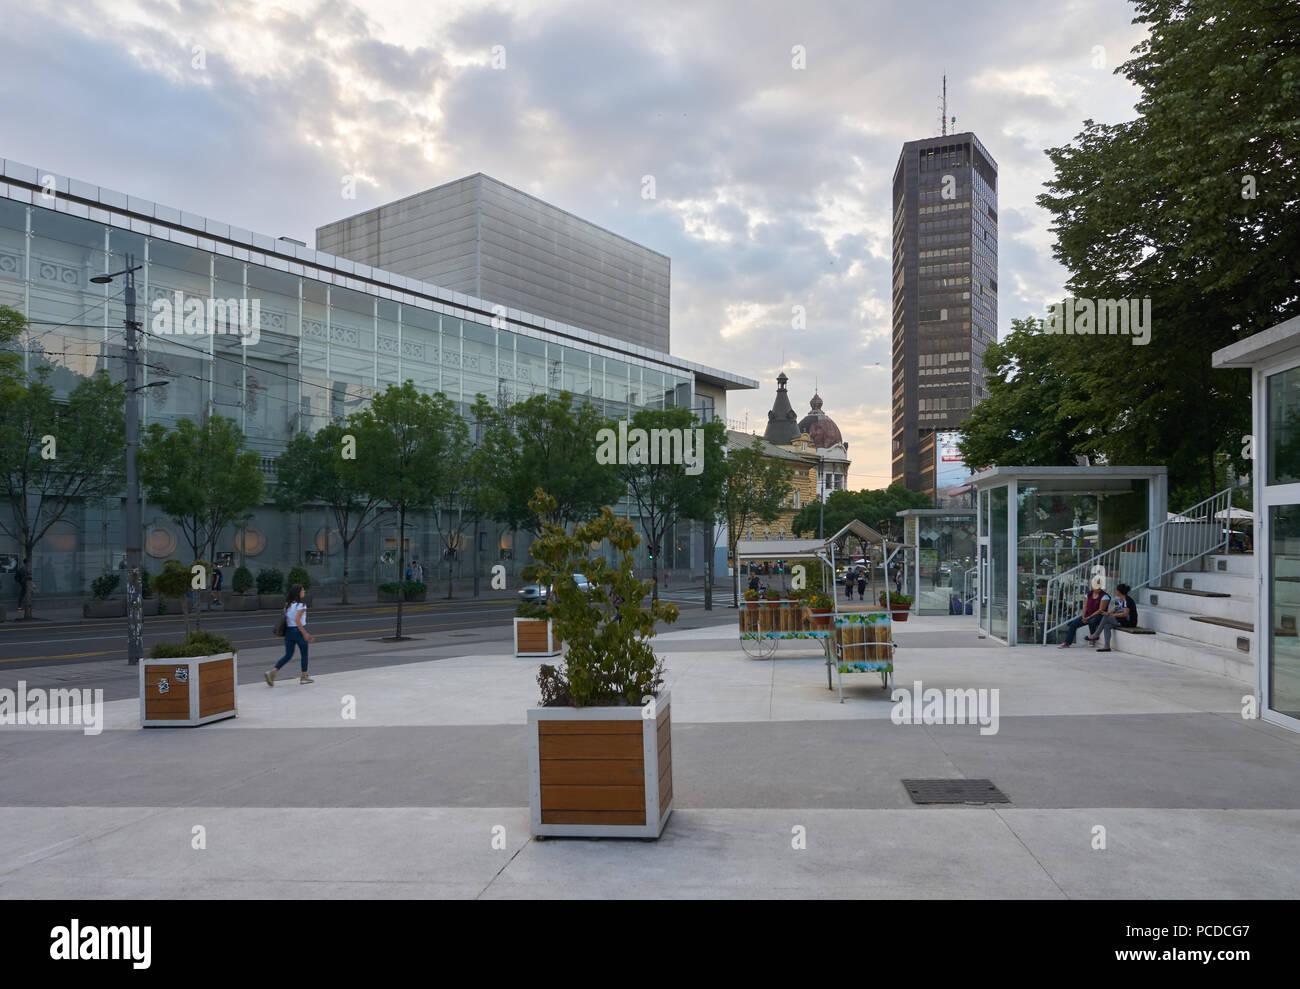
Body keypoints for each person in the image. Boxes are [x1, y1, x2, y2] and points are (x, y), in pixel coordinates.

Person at [265, 584, 313, 685]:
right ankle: (304, 676)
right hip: (298, 632)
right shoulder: (301, 605)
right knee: (304, 654)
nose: (304, 592)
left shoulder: (287, 605)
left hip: (289, 632)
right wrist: (305, 633)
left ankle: (272, 672)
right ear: (298, 593)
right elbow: (297, 620)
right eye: (303, 590)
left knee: (288, 655)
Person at [1059, 581, 1109, 648]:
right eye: (1095, 586)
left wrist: (1089, 617)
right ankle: (1067, 643)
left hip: (1099, 615)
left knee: (1092, 621)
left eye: (1098, 587)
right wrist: (1083, 616)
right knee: (1074, 624)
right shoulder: (1089, 594)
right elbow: (1085, 606)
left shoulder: (1105, 596)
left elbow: (1101, 610)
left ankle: (1092, 638)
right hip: (1088, 615)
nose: (1096, 588)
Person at [1090, 583, 1137, 652]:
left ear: (1119, 591)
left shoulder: (1127, 600)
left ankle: (1096, 635)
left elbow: (1125, 614)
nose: (1115, 591)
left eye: (1116, 590)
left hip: (1129, 622)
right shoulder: (1118, 599)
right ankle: (1107, 647)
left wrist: (1112, 615)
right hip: (1121, 620)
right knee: (1106, 625)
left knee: (1106, 617)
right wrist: (1108, 613)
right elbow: (1115, 609)